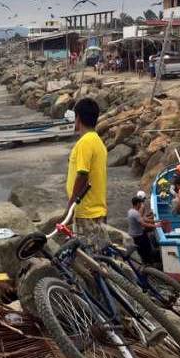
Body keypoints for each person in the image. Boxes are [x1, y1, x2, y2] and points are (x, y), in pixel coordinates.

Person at [65, 97, 109, 251]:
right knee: (99, 256)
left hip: (85, 211)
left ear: (78, 118)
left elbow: (82, 175)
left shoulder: (85, 143)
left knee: (88, 258)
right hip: (97, 209)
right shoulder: (98, 141)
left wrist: (71, 203)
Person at [127, 195, 160, 265]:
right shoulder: (135, 213)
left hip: (135, 235)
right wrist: (155, 225)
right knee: (145, 250)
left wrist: (155, 221)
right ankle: (148, 265)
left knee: (143, 250)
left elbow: (143, 219)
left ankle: (147, 263)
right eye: (140, 203)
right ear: (138, 204)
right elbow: (143, 224)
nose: (141, 205)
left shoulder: (130, 211)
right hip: (139, 236)